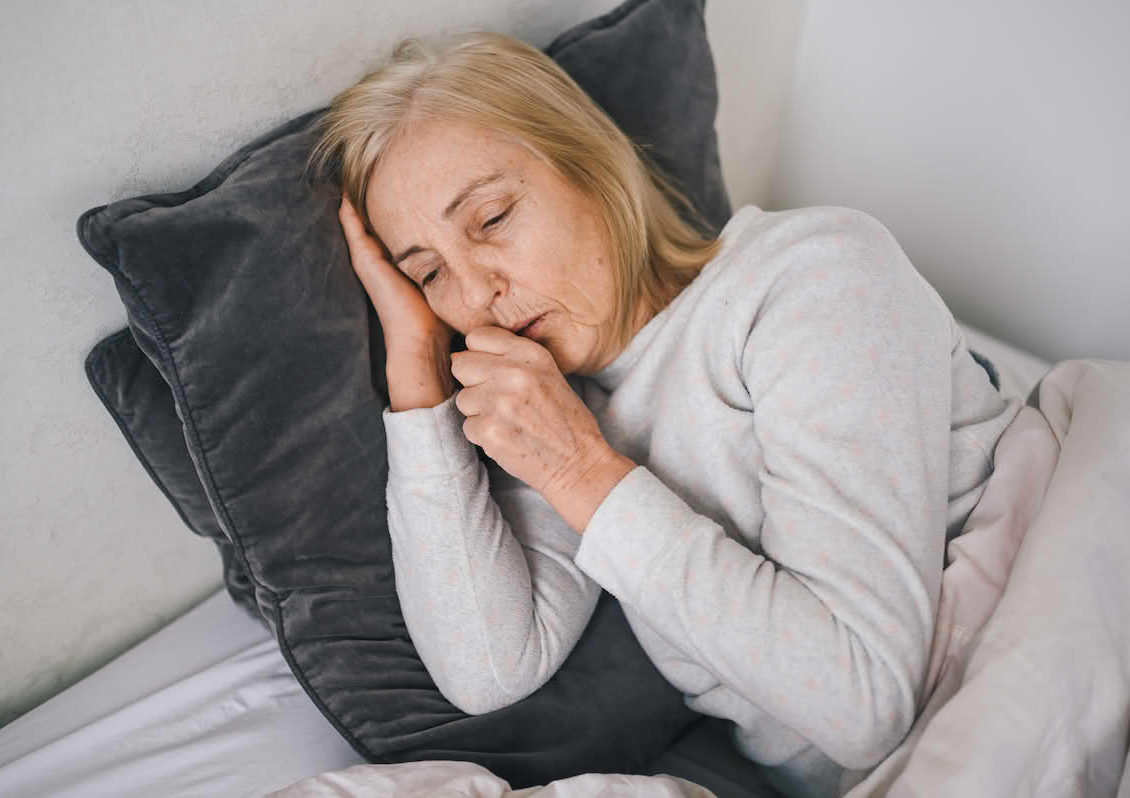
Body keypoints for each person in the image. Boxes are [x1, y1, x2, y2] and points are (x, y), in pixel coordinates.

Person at [306, 31, 1021, 798]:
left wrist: (580, 471)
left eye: (491, 218)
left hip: (1022, 681)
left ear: (590, 165)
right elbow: (485, 667)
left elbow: (861, 705)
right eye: (431, 272)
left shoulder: (811, 276)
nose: (476, 293)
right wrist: (415, 381)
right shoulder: (564, 412)